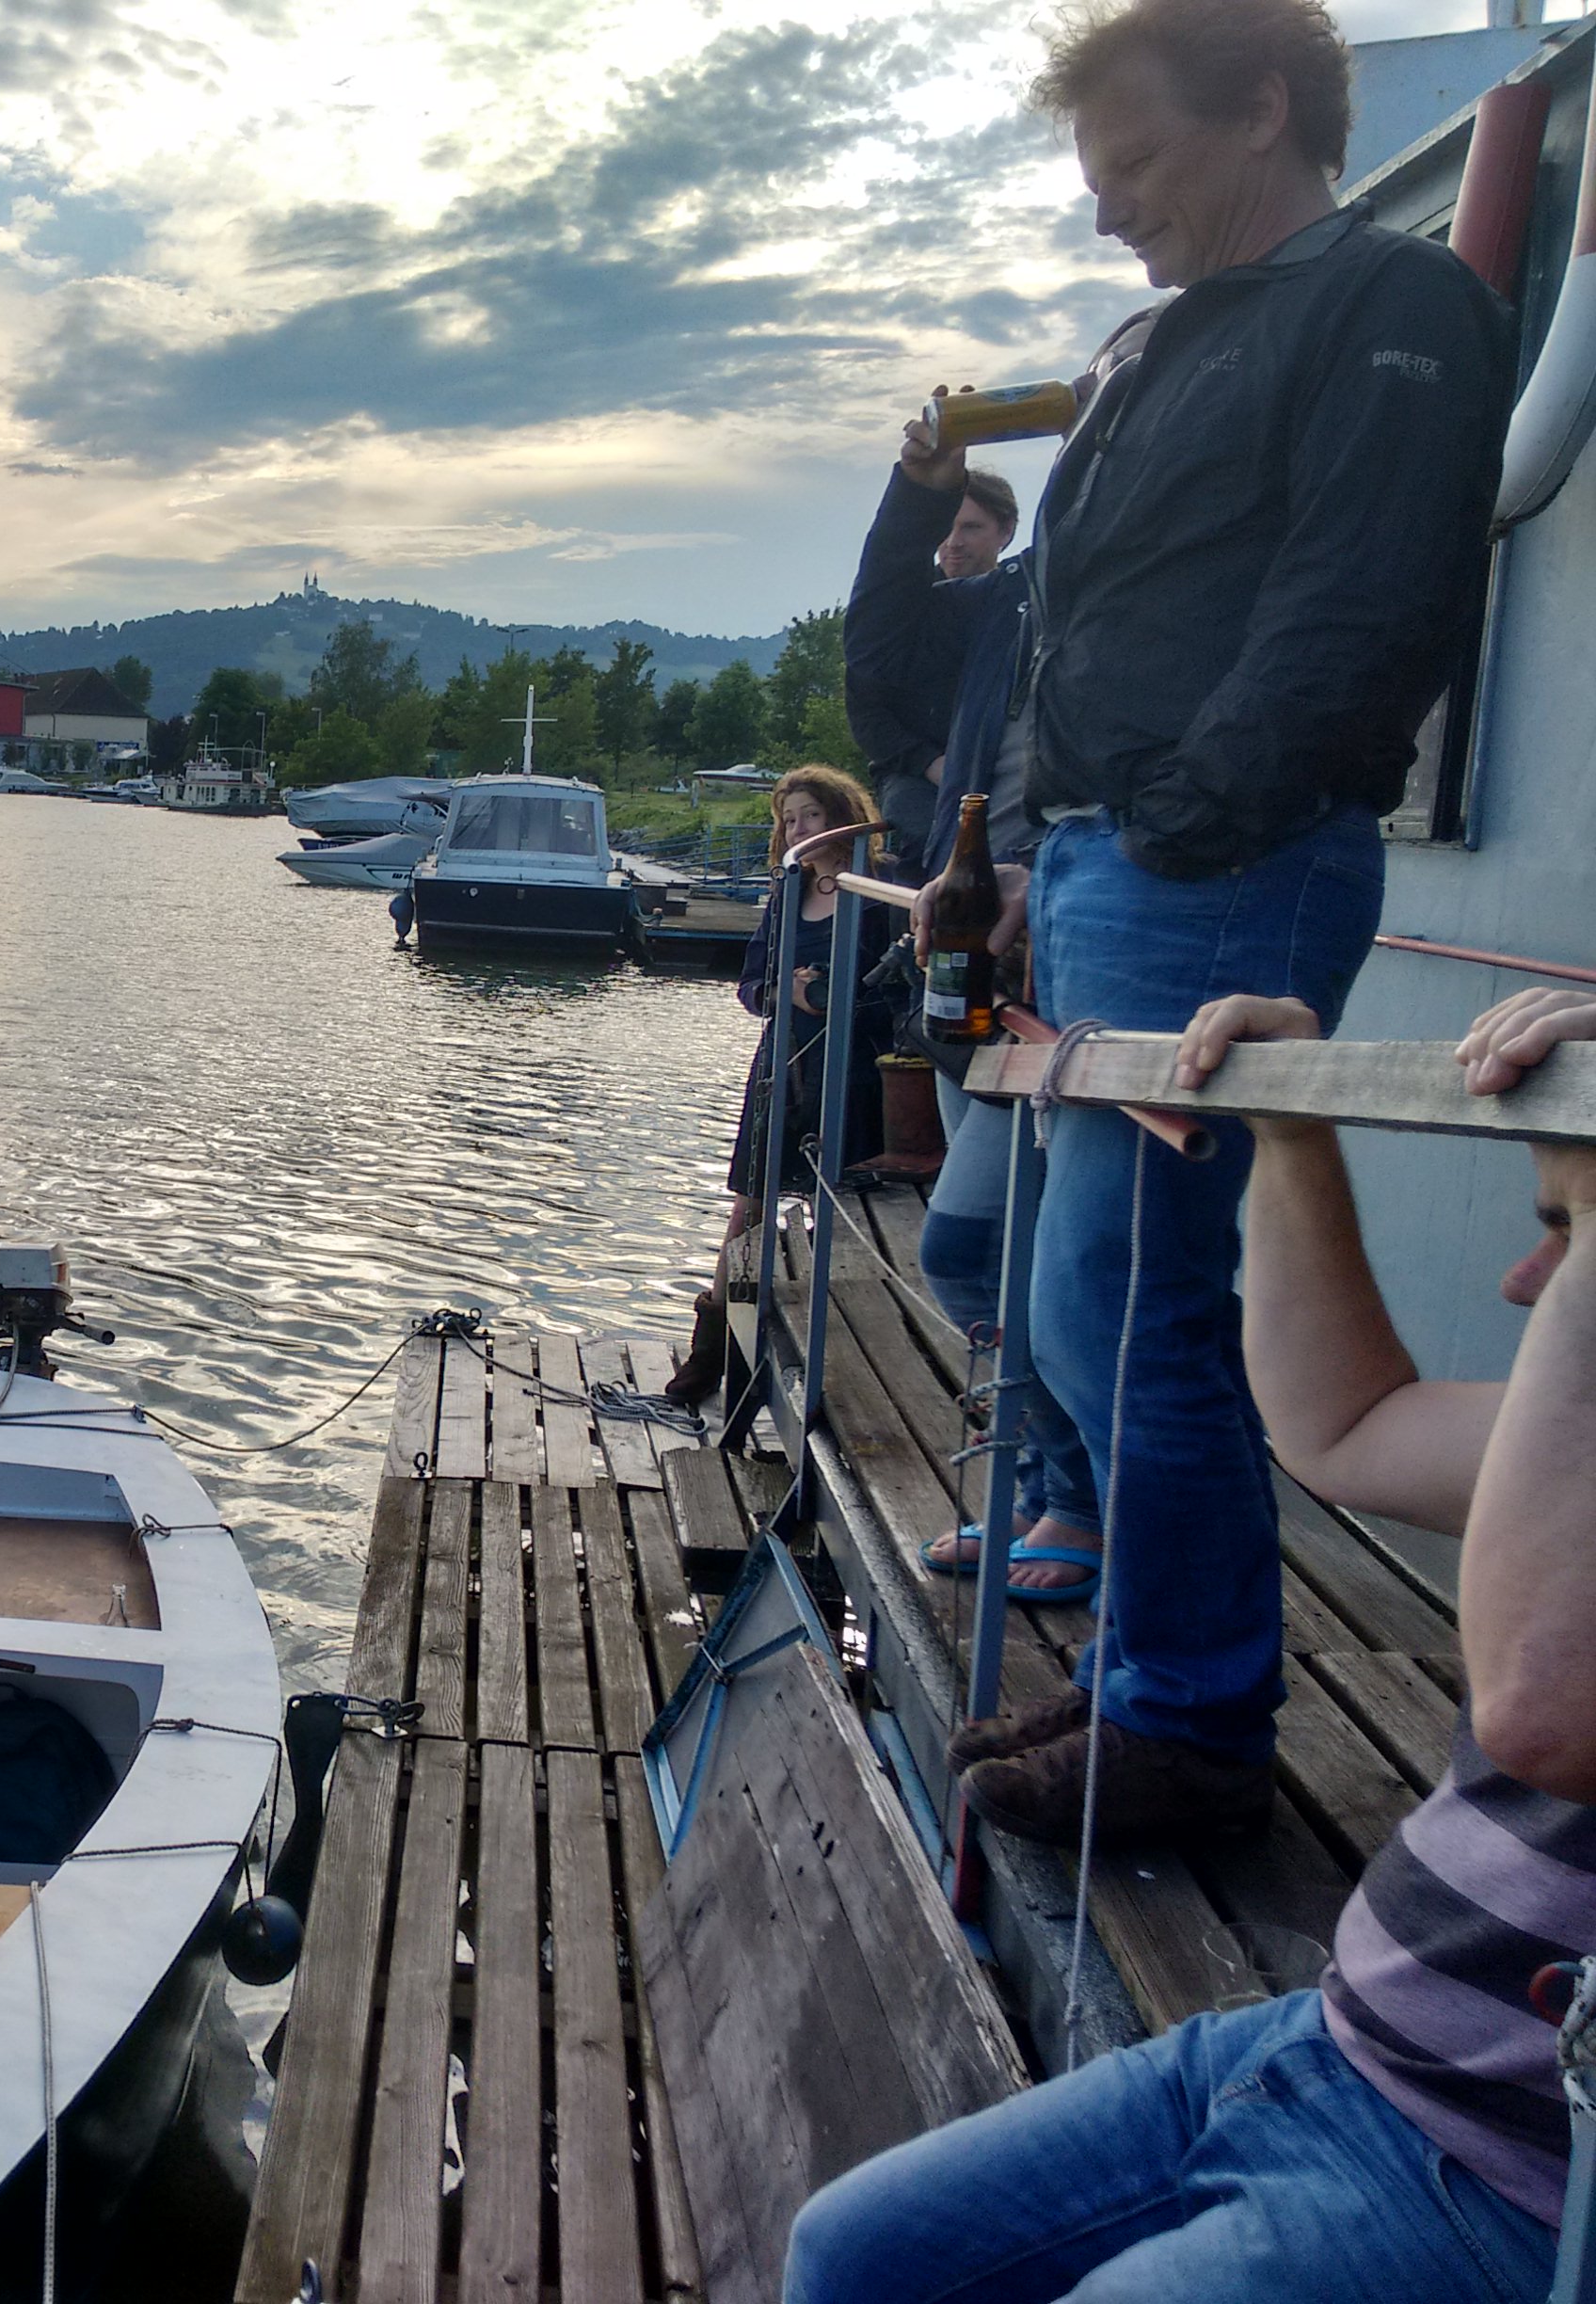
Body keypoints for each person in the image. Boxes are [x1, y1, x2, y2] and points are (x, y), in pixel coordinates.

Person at [912, 0, 1517, 1843]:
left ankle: (1188, 1726)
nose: (1112, 216)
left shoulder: (1390, 310)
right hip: (1115, 872)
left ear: (1266, 104)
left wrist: (1171, 830)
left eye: (1139, 170)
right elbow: (1080, 631)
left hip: (1217, 873)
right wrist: (1036, 856)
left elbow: (1363, 604)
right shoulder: (1172, 345)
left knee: (1133, 1290)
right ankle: (1139, 1681)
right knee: (1067, 1276)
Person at [782, 984, 1596, 2304]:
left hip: (1508, 2178)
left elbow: (1545, 1708)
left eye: (1562, 1235)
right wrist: (1292, 1134)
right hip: (1335, 2043)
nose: (1524, 1280)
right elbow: (1346, 1421)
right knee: (855, 2255)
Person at [850, 393, 1119, 1601]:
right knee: (1001, 1244)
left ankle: (1074, 1496)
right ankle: (1035, 1481)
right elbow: (880, 648)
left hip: (1067, 948)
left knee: (974, 1246)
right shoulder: (1007, 607)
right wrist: (915, 490)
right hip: (974, 942)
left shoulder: (1134, 609)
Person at [719, 766, 898, 1238]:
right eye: (789, 820)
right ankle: (719, 1307)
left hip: (857, 1068)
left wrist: (844, 998)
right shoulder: (787, 895)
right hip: (785, 1065)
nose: (798, 829)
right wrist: (788, 993)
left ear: (841, 816)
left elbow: (903, 992)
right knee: (749, 1198)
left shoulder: (886, 888)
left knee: (843, 1202)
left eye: (811, 815)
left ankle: (837, 1294)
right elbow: (751, 984)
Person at [844, 469, 1021, 861]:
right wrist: (929, 762)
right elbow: (867, 714)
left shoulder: (1022, 608)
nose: (954, 543)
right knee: (938, 846)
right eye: (947, 528)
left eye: (971, 528)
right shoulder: (901, 611)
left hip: (1003, 767)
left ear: (1005, 531)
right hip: (916, 775)